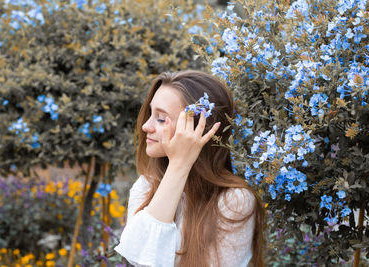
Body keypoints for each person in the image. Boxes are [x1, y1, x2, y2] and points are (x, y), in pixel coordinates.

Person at [114, 70, 266, 267]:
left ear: (198, 129)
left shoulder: (233, 202)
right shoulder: (146, 187)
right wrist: (178, 167)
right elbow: (139, 259)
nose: (145, 126)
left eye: (161, 119)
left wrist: (179, 165)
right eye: (151, 114)